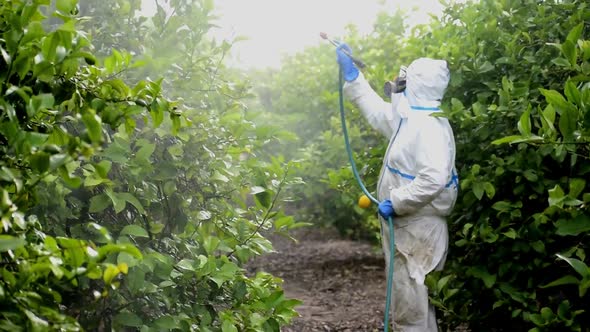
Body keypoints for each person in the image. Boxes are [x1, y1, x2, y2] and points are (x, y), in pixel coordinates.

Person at [336, 43, 458, 332]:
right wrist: (354, 79)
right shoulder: (412, 120)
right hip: (410, 231)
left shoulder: (428, 128)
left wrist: (398, 200)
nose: (398, 87)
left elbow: (433, 178)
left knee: (411, 313)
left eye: (403, 82)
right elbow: (380, 114)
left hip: (419, 232)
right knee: (415, 308)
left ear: (416, 86)